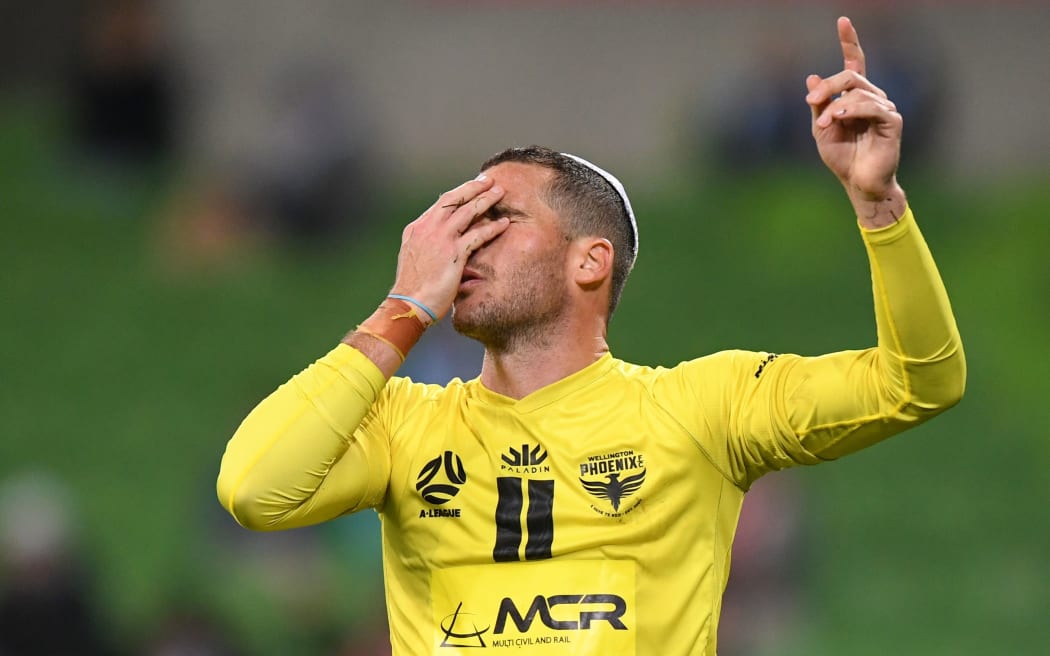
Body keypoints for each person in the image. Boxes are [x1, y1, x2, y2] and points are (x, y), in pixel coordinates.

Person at [216, 17, 965, 655]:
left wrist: (880, 206)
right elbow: (253, 490)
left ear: (590, 260)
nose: (467, 245)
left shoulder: (702, 409)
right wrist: (402, 307)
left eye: (498, 220)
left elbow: (920, 381)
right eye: (461, 220)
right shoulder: (403, 424)